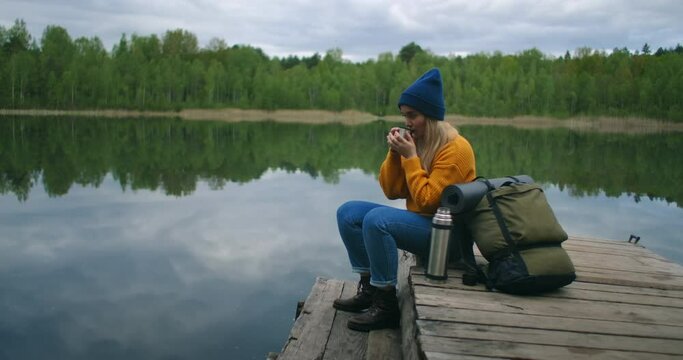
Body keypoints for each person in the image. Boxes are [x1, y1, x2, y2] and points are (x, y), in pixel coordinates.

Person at [333, 68, 476, 332]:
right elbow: (392, 190)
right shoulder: (419, 142)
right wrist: (394, 153)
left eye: (413, 115)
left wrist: (410, 158)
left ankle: (386, 304)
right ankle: (369, 290)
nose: (407, 122)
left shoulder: (456, 150)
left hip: (450, 239)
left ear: (430, 117)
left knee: (378, 220)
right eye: (405, 115)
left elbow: (428, 201)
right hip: (423, 226)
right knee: (348, 212)